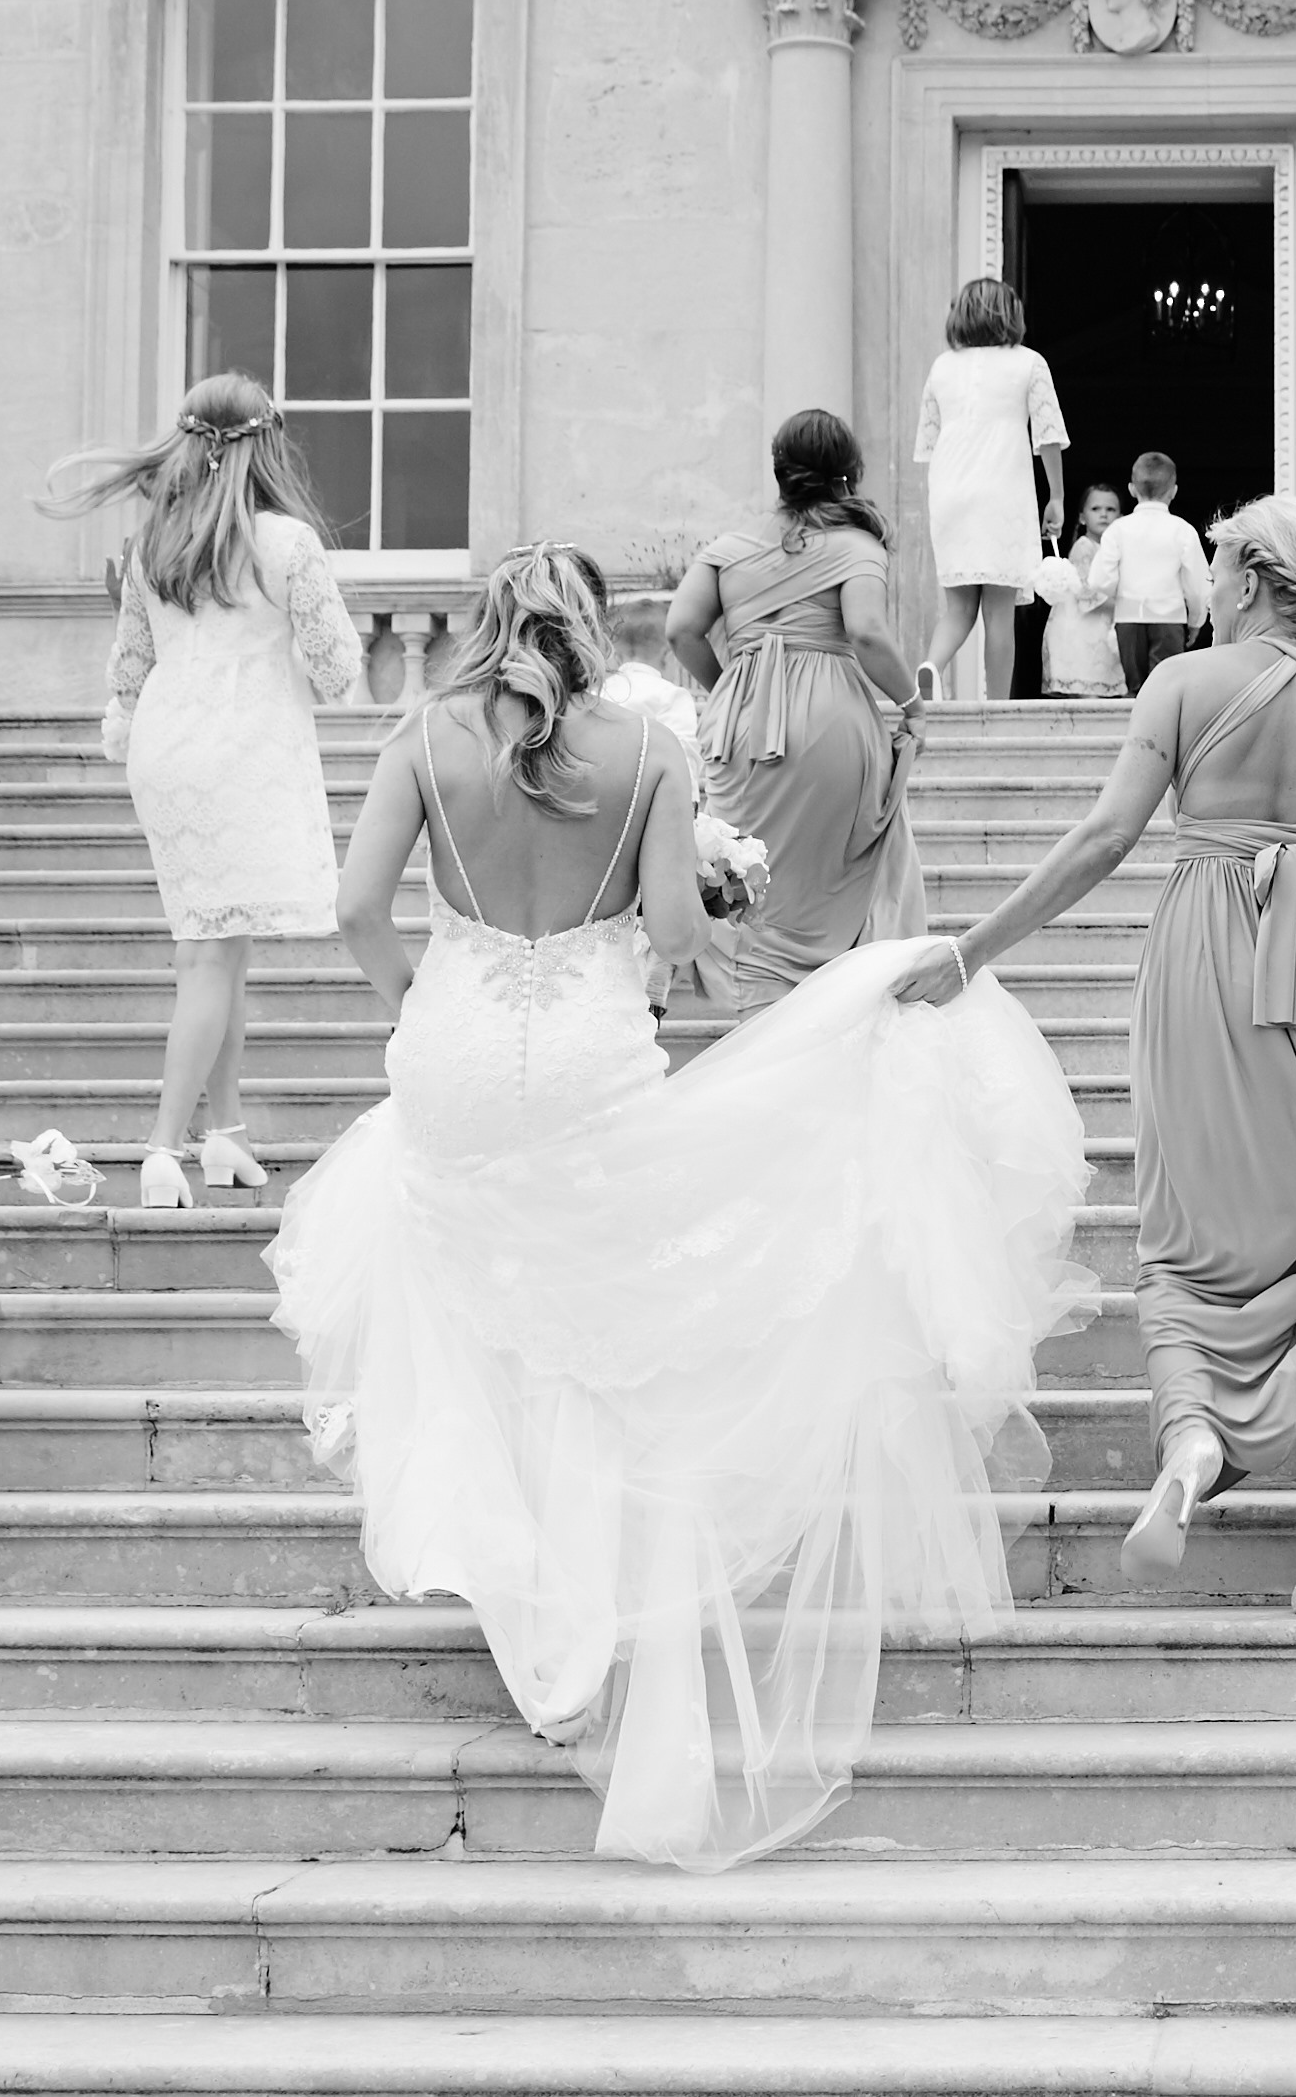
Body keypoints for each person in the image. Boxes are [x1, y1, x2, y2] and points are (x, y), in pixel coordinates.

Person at [268, 545, 1098, 1872]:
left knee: (477, 1322)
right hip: (587, 1058)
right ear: (595, 628)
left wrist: (421, 1001)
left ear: (485, 622)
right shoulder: (649, 750)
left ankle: (517, 1587)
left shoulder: (423, 735)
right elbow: (670, 934)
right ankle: (587, 1594)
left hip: (456, 1053)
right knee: (597, 1335)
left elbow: (357, 906)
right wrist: (694, 894)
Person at [896, 494, 1296, 1619]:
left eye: (1216, 566)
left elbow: (1105, 836)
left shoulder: (1179, 683)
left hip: (1211, 958)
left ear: (1252, 578)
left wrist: (971, 951)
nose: (1208, 584)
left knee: (1180, 1240)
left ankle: (1193, 1440)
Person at [48, 372, 365, 1208]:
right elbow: (337, 668)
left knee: (217, 947)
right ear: (268, 443)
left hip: (168, 747)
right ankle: (162, 1146)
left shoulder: (155, 543)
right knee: (212, 954)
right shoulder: (287, 542)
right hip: (244, 749)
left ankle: (226, 1133)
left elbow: (128, 670)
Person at [662, 408, 926, 1008]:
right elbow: (866, 632)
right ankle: (838, 1004)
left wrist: (732, 688)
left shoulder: (727, 550)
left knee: (747, 870)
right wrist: (913, 705)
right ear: (846, 473)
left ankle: (762, 1009)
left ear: (779, 470)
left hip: (740, 725)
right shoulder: (858, 546)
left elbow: (681, 630)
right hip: (833, 719)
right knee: (834, 869)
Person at [912, 277, 1068, 702]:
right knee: (999, 613)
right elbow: (1049, 436)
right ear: (1010, 314)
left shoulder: (942, 367)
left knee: (959, 608)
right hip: (1003, 491)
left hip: (950, 492)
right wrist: (1056, 496)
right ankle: (997, 707)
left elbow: (929, 443)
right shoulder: (1028, 362)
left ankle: (931, 666)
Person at [1093, 452, 1209, 691]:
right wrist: (1196, 620)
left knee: (1135, 692)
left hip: (1128, 618)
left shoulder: (1118, 529)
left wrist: (1121, 594)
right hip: (1170, 620)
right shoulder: (1182, 530)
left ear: (1132, 489)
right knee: (1165, 691)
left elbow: (1099, 580)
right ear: (1173, 491)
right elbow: (1198, 585)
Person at [1044, 483, 1129, 699]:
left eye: (1110, 509)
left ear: (1120, 518)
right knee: (1088, 693)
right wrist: (1128, 607)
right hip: (1082, 633)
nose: (1103, 514)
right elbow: (1086, 594)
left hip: (1102, 628)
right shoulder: (1084, 546)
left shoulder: (1116, 552)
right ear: (1082, 517)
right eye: (1096, 509)